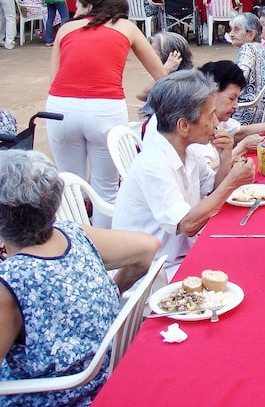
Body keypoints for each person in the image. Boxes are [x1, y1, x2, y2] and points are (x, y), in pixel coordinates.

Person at [0, 150, 160, 405]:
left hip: (56, 396)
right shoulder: (73, 234)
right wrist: (106, 292)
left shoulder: (11, 281)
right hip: (105, 379)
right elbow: (147, 247)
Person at [112, 71, 255, 278]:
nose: (216, 123)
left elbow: (213, 189)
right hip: (154, 270)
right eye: (210, 116)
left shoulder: (189, 150)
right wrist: (232, 182)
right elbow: (187, 224)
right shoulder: (154, 164)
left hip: (180, 254)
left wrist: (225, 159)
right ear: (184, 126)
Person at [45, 0, 167, 228]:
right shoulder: (127, 27)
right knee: (106, 190)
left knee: (69, 186)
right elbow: (162, 77)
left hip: (60, 108)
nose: (75, 12)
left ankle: (73, 250)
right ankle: (105, 256)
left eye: (78, 6)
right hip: (106, 109)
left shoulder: (66, 29)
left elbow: (54, 78)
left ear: (89, 7)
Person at [228, 12, 265, 124]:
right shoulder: (262, 49)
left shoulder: (247, 48)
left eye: (236, 30)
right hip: (262, 112)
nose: (231, 34)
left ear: (251, 35)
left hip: (246, 114)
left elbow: (237, 78)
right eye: (231, 29)